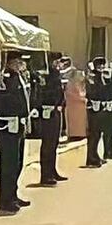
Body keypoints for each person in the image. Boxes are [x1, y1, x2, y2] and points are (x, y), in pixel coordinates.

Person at [0, 51, 33, 213]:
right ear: (12, 62)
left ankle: (13, 195)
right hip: (8, 127)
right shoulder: (5, 79)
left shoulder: (19, 77)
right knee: (8, 165)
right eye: (19, 61)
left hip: (19, 126)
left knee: (18, 163)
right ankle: (5, 200)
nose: (22, 64)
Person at [37, 56, 69, 186]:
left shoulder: (56, 75)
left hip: (56, 110)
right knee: (48, 144)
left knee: (54, 142)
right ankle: (46, 175)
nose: (60, 64)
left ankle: (52, 170)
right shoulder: (47, 75)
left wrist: (61, 103)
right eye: (57, 62)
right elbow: (43, 94)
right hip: (48, 111)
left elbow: (60, 93)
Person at [84, 57, 109, 168]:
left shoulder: (101, 76)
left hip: (100, 107)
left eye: (103, 65)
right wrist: (94, 101)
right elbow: (91, 91)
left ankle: (95, 155)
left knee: (98, 133)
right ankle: (91, 158)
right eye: (100, 65)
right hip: (93, 107)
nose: (102, 67)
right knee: (93, 134)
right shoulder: (92, 77)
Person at [63, 62, 88, 141]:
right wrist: (83, 99)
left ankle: (80, 134)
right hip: (74, 106)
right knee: (74, 122)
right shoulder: (71, 84)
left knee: (79, 122)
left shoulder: (80, 84)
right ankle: (74, 135)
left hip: (79, 106)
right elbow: (72, 94)